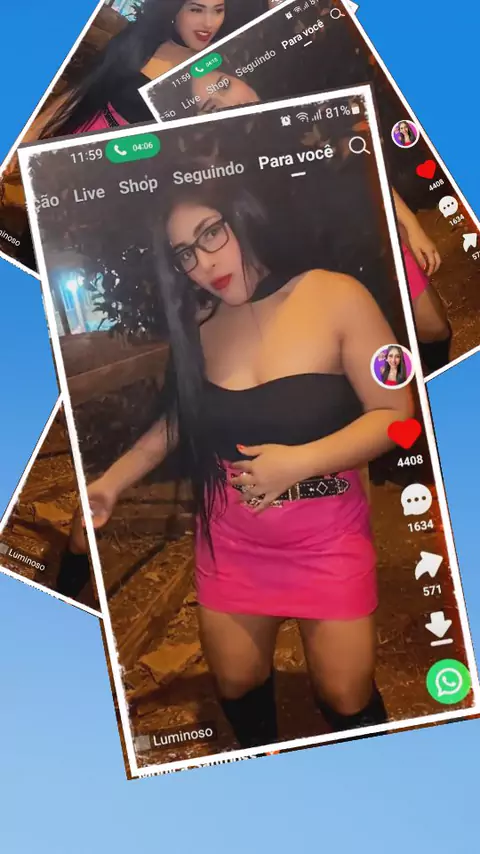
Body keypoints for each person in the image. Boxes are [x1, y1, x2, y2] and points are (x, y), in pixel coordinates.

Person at [83, 182, 413, 749]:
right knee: (236, 683)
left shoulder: (335, 295)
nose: (203, 263)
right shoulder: (201, 322)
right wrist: (111, 483)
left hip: (327, 539)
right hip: (231, 542)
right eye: (185, 253)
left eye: (211, 233)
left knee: (345, 696)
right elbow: (180, 419)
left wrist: (299, 463)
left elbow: (397, 415)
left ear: (244, 215)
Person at [187, 69, 451, 373]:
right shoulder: (226, 170)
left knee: (434, 328)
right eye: (209, 107)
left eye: (224, 86)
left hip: (376, 239)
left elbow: (363, 166)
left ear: (242, 76)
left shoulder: (307, 107)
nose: (224, 103)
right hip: (325, 273)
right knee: (388, 356)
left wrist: (411, 225)